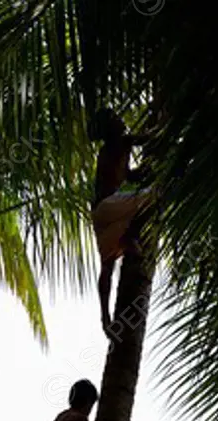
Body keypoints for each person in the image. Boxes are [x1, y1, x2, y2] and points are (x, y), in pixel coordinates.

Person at [89, 108, 153, 337]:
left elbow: (128, 176)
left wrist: (142, 172)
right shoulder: (122, 141)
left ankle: (105, 318)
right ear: (111, 127)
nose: (122, 120)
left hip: (100, 213)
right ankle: (130, 236)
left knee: (107, 265)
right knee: (159, 194)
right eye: (117, 119)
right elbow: (150, 138)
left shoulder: (108, 150)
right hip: (110, 204)